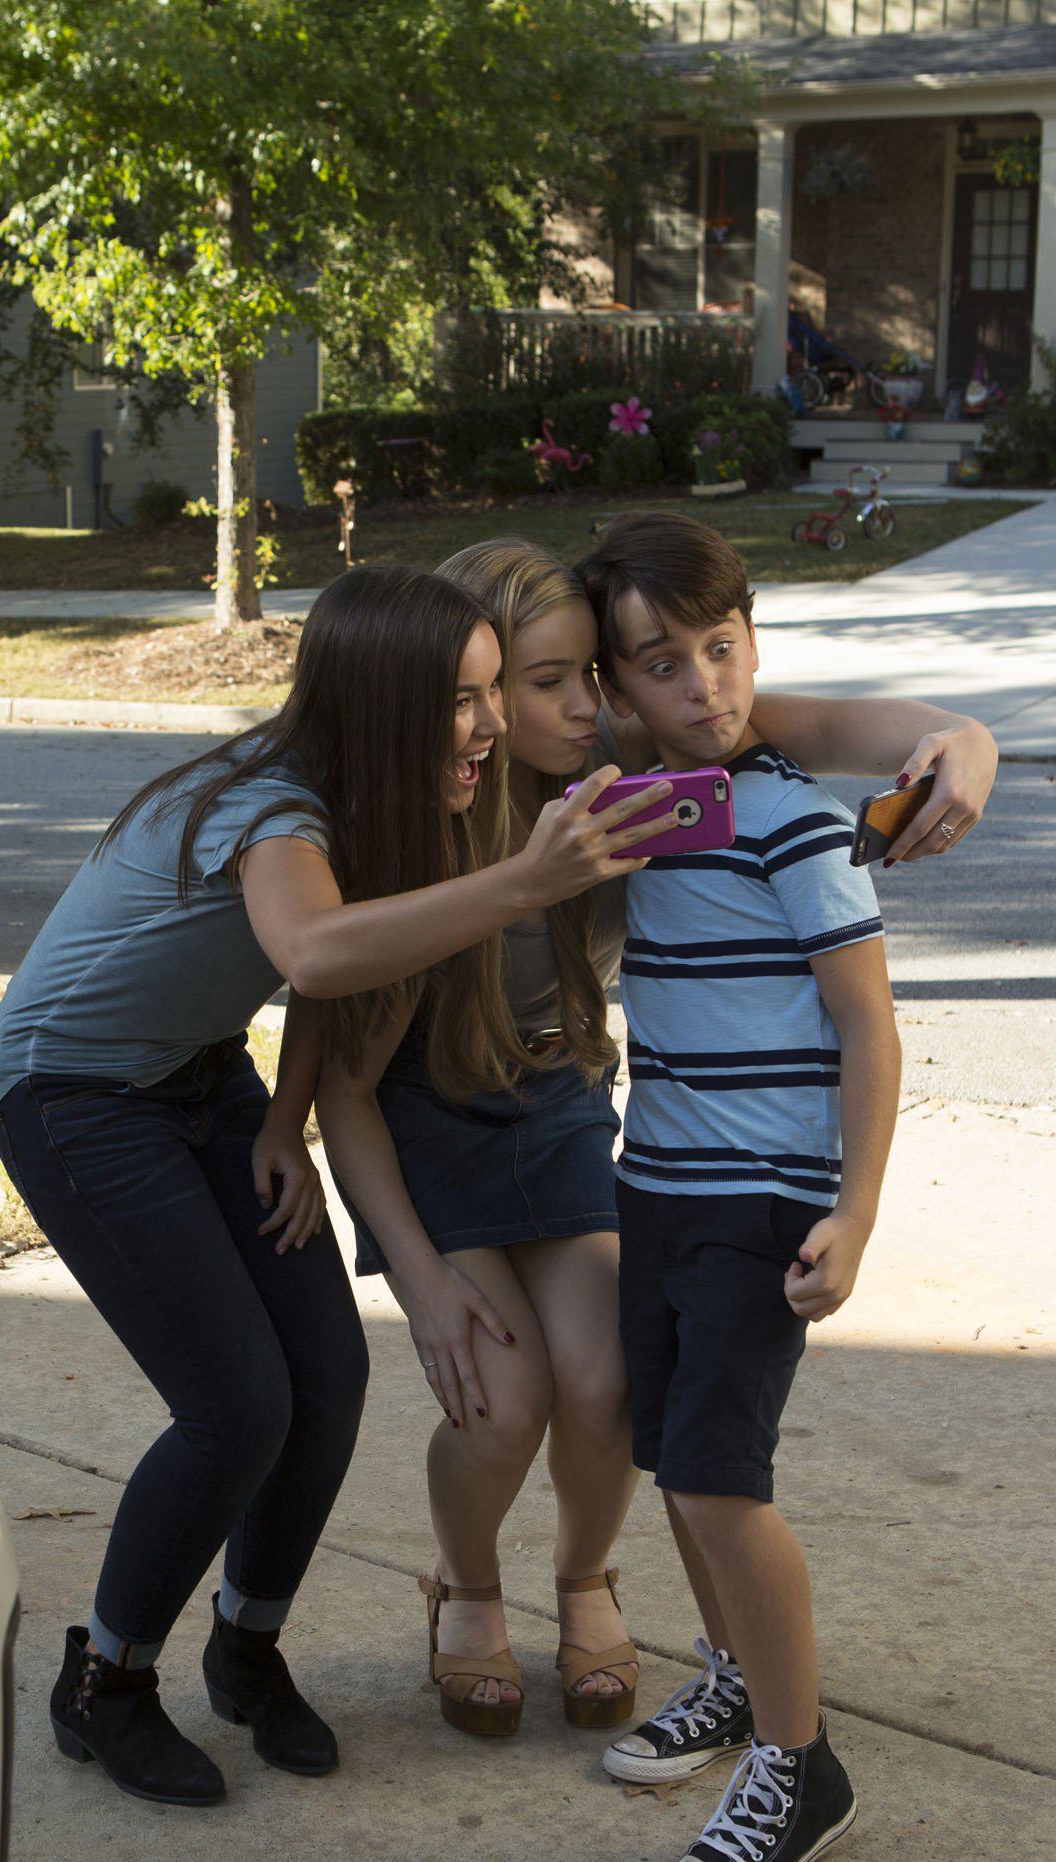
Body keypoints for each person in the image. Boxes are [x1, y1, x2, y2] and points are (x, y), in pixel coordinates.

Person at [0, 563, 672, 1809]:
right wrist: (525, 880)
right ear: (380, 700)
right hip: (72, 1092)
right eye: (461, 702)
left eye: (488, 694)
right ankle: (107, 1679)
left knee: (330, 1373)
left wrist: (288, 1120)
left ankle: (247, 1649)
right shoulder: (278, 804)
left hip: (196, 1077)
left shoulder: (381, 795)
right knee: (237, 1407)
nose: (488, 725)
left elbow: (327, 986)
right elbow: (311, 944)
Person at [311, 536, 991, 1742]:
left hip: (564, 1111)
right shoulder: (428, 808)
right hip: (432, 1131)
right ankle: (466, 1586)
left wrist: (964, 736)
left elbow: (826, 723)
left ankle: (585, 1579)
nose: (580, 706)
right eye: (542, 682)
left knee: (611, 1377)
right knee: (501, 1396)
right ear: (464, 690)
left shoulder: (627, 752)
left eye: (589, 678)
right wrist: (415, 1279)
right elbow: (342, 1073)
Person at [572, 513, 899, 1862]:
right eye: (658, 663)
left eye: (719, 648)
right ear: (612, 686)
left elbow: (867, 1029)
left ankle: (795, 1755)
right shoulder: (641, 813)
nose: (700, 684)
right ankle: (728, 1678)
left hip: (763, 1199)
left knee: (717, 1472)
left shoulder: (791, 819)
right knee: (664, 1449)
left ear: (750, 639)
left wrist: (855, 1207)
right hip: (654, 1183)